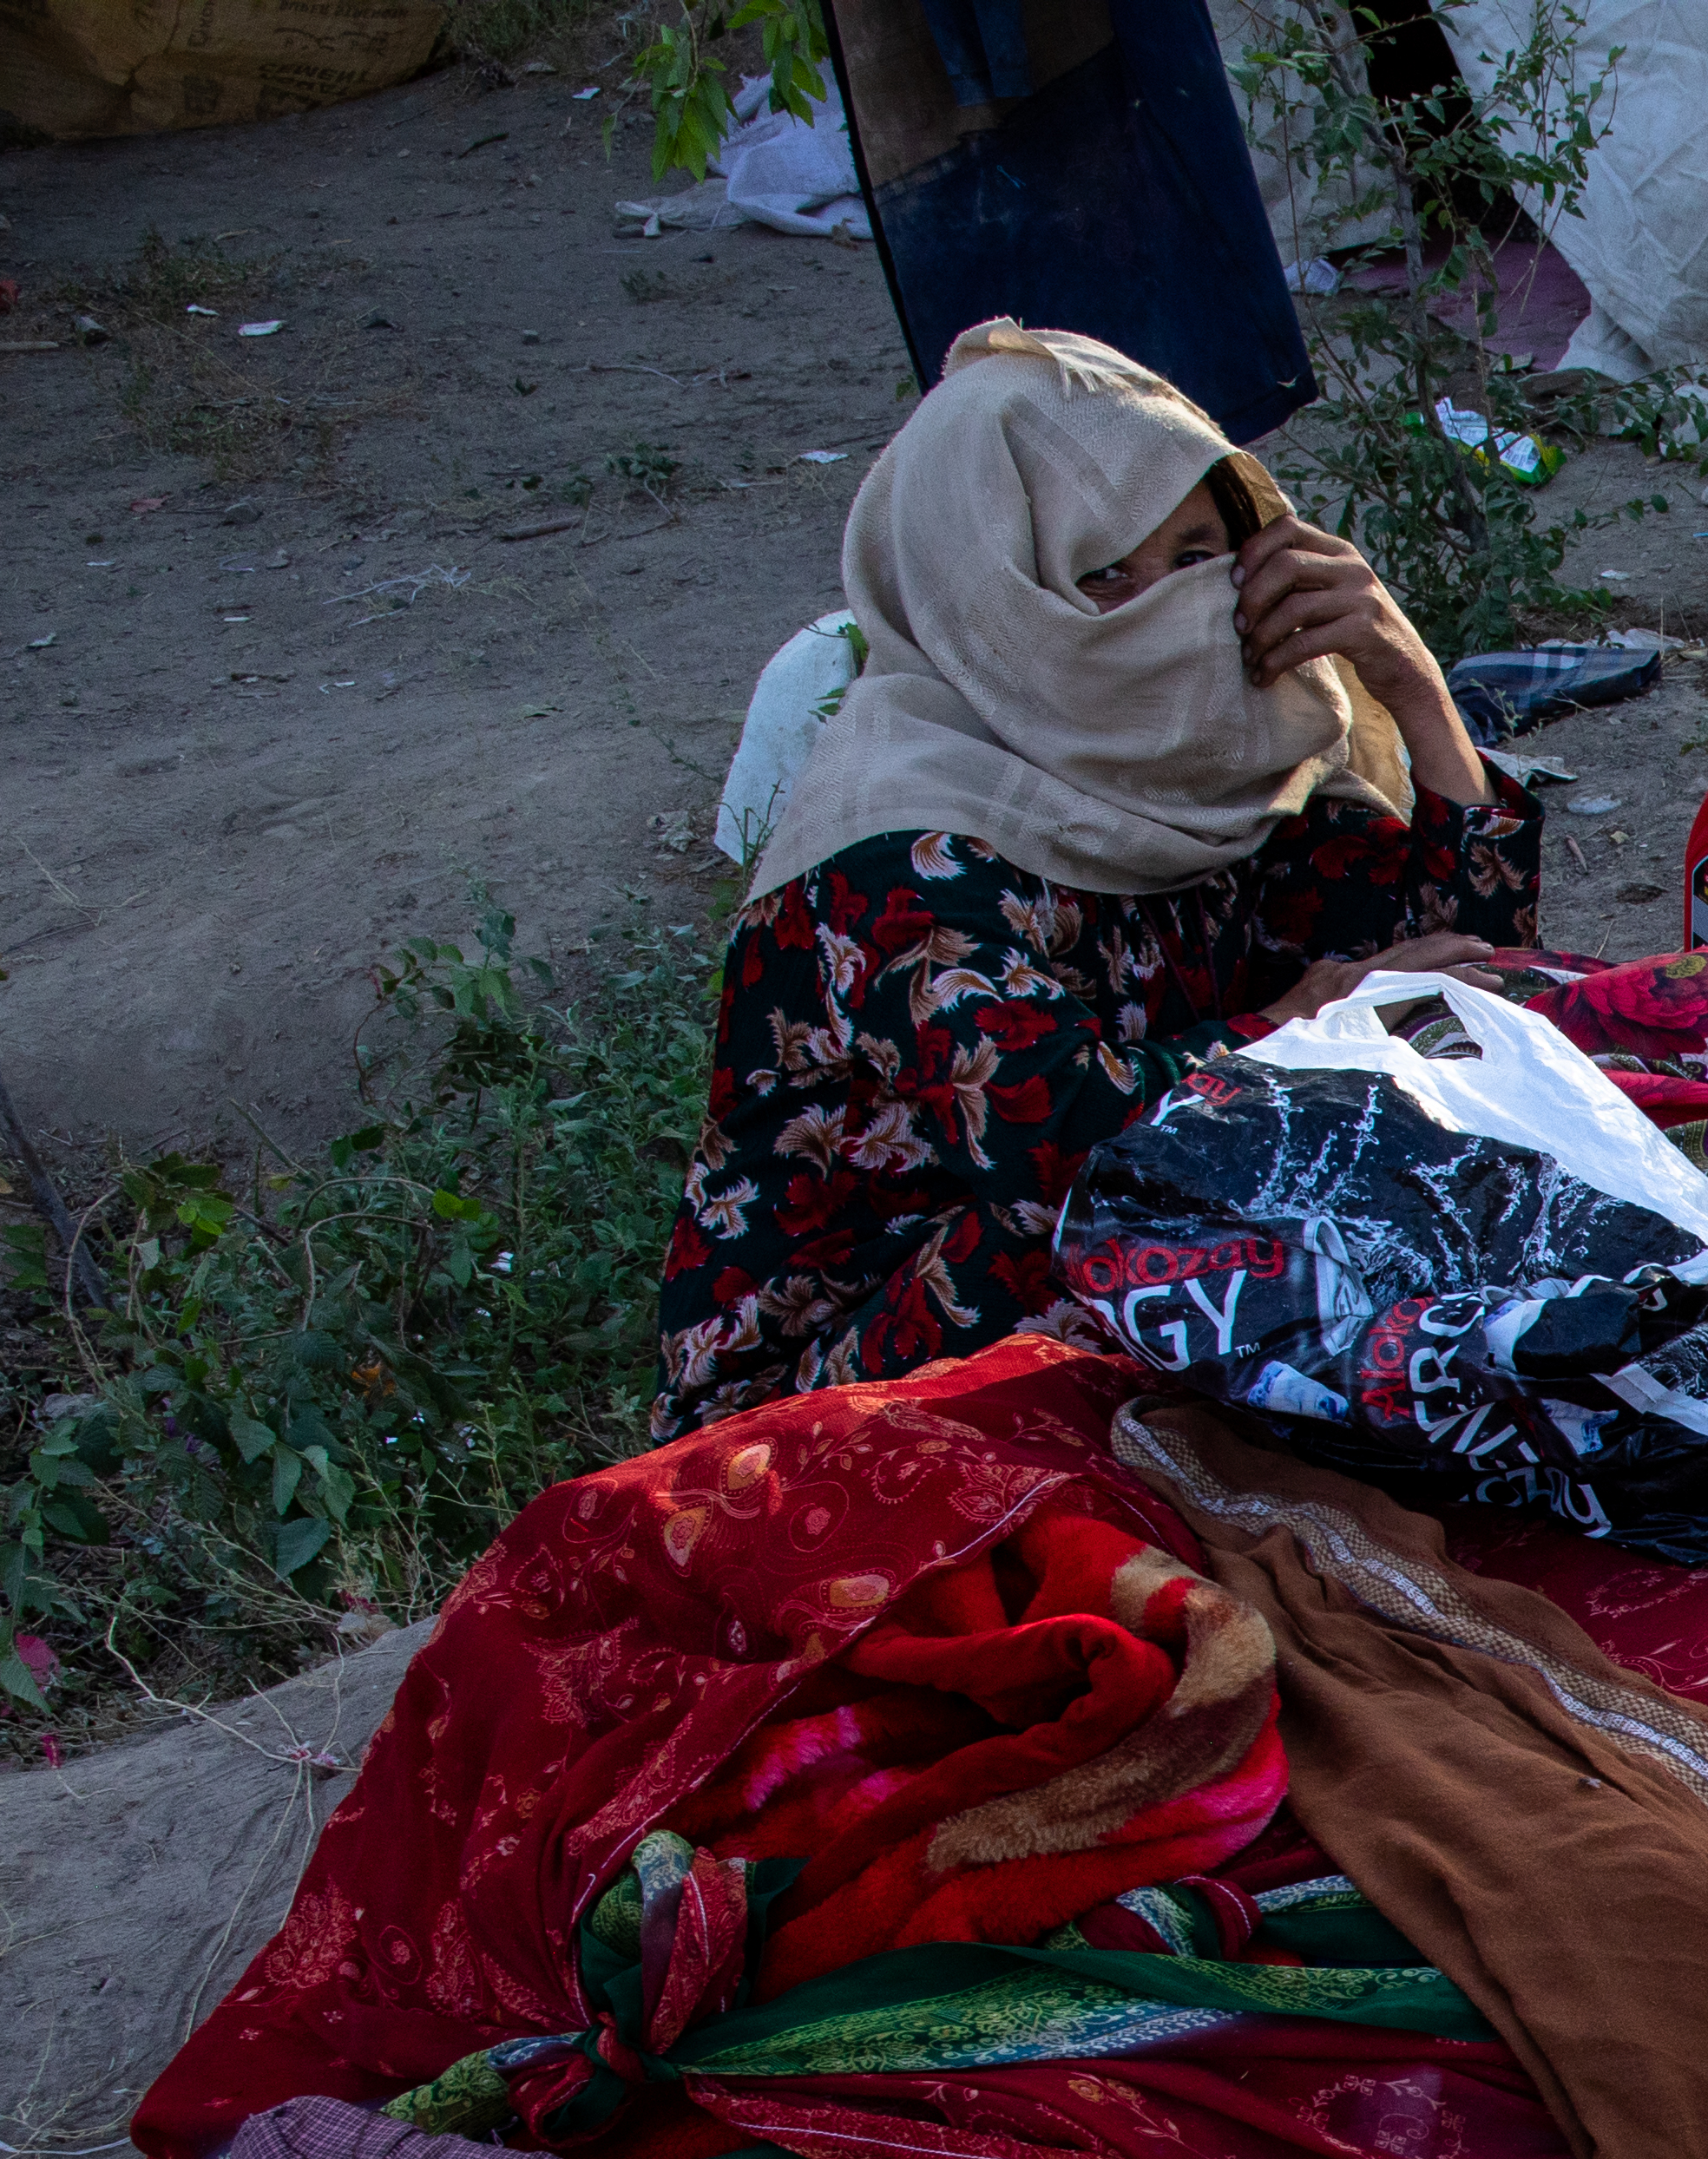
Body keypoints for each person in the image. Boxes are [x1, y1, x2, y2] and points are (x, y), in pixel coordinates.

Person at [654, 321, 1537, 1434]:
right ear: (992, 595)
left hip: (1132, 1256)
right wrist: (1303, 1025)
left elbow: (1467, 964)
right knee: (1194, 1198)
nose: (1169, 606)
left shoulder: (1222, 755)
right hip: (840, 1380)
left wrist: (1409, 684)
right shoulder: (890, 860)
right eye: (1103, 575)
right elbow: (1064, 1153)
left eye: (1196, 557)